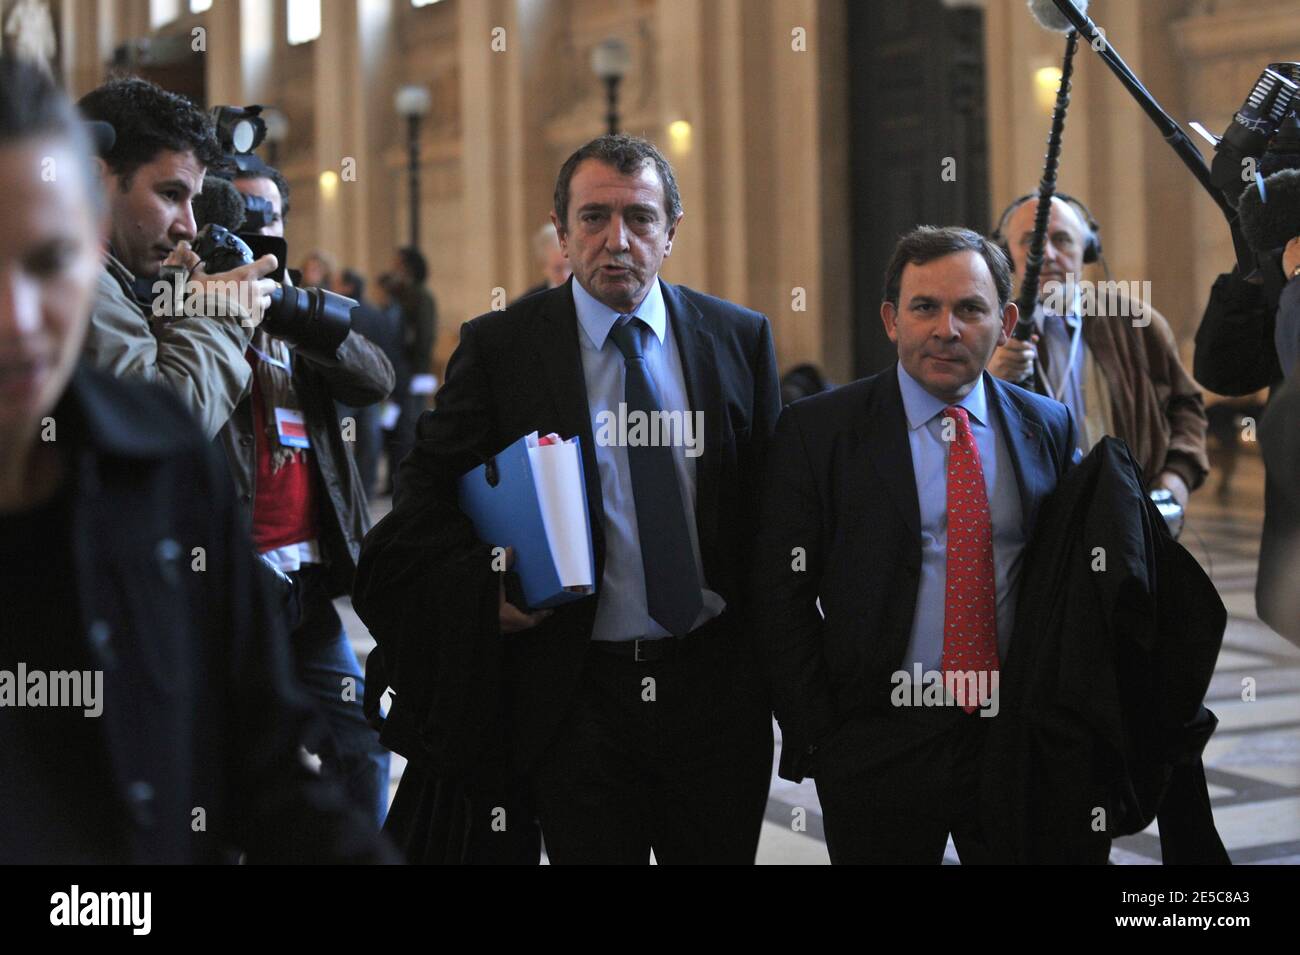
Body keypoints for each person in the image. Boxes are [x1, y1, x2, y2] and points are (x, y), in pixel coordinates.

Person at [0, 55, 391, 863]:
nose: (19, 318)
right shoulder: (169, 383)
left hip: (300, 588)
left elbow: (266, 768)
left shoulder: (164, 459)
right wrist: (214, 317)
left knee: (355, 752)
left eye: (49, 261)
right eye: (170, 195)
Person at [354, 133, 781, 864]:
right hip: (577, 696)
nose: (618, 240)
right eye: (593, 218)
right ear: (562, 230)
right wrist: (484, 584)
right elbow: (423, 501)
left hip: (714, 694)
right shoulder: (502, 349)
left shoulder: (738, 338)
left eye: (640, 218)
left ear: (671, 232)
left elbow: (772, 514)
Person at [754, 227, 1075, 864]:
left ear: (1006, 323)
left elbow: (1066, 583)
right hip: (877, 741)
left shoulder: (1046, 425)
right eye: (925, 307)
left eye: (970, 309)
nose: (946, 330)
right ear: (891, 320)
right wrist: (822, 731)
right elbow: (779, 593)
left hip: (1013, 738)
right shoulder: (821, 431)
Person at [227, 161, 396, 826]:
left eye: (267, 213)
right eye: (239, 211)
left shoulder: (299, 306)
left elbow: (374, 380)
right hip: (231, 580)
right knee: (230, 764)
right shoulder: (186, 301)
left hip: (303, 582)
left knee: (360, 745)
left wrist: (297, 316)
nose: (256, 225)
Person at [76, 76, 278, 439]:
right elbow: (159, 431)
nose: (189, 227)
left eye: (192, 201)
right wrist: (221, 312)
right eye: (170, 194)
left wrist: (177, 312)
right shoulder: (76, 279)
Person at [988, 193, 1208, 507]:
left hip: (1131, 510)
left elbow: (1185, 406)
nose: (1046, 254)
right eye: (1030, 241)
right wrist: (991, 379)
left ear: (1087, 249)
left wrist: (1176, 481)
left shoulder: (1136, 322)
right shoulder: (991, 334)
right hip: (1038, 517)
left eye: (1062, 239)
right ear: (1008, 255)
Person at [335, 267, 403, 497]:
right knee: (370, 441)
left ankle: (344, 490)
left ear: (348, 286)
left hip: (344, 389)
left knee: (342, 440)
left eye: (338, 283)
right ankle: (366, 489)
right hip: (371, 389)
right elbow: (389, 351)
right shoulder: (376, 315)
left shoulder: (340, 312)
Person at [382, 246, 436, 492]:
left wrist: (417, 372)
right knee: (390, 426)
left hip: (412, 374)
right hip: (394, 371)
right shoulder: (397, 295)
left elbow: (424, 337)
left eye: (398, 264)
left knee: (409, 427)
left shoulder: (421, 296)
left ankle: (407, 482)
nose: (394, 268)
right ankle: (393, 479)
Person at [515, 221, 572, 301]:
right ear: (544, 268)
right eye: (557, 269)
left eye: (570, 266)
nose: (566, 276)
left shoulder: (590, 294)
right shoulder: (528, 302)